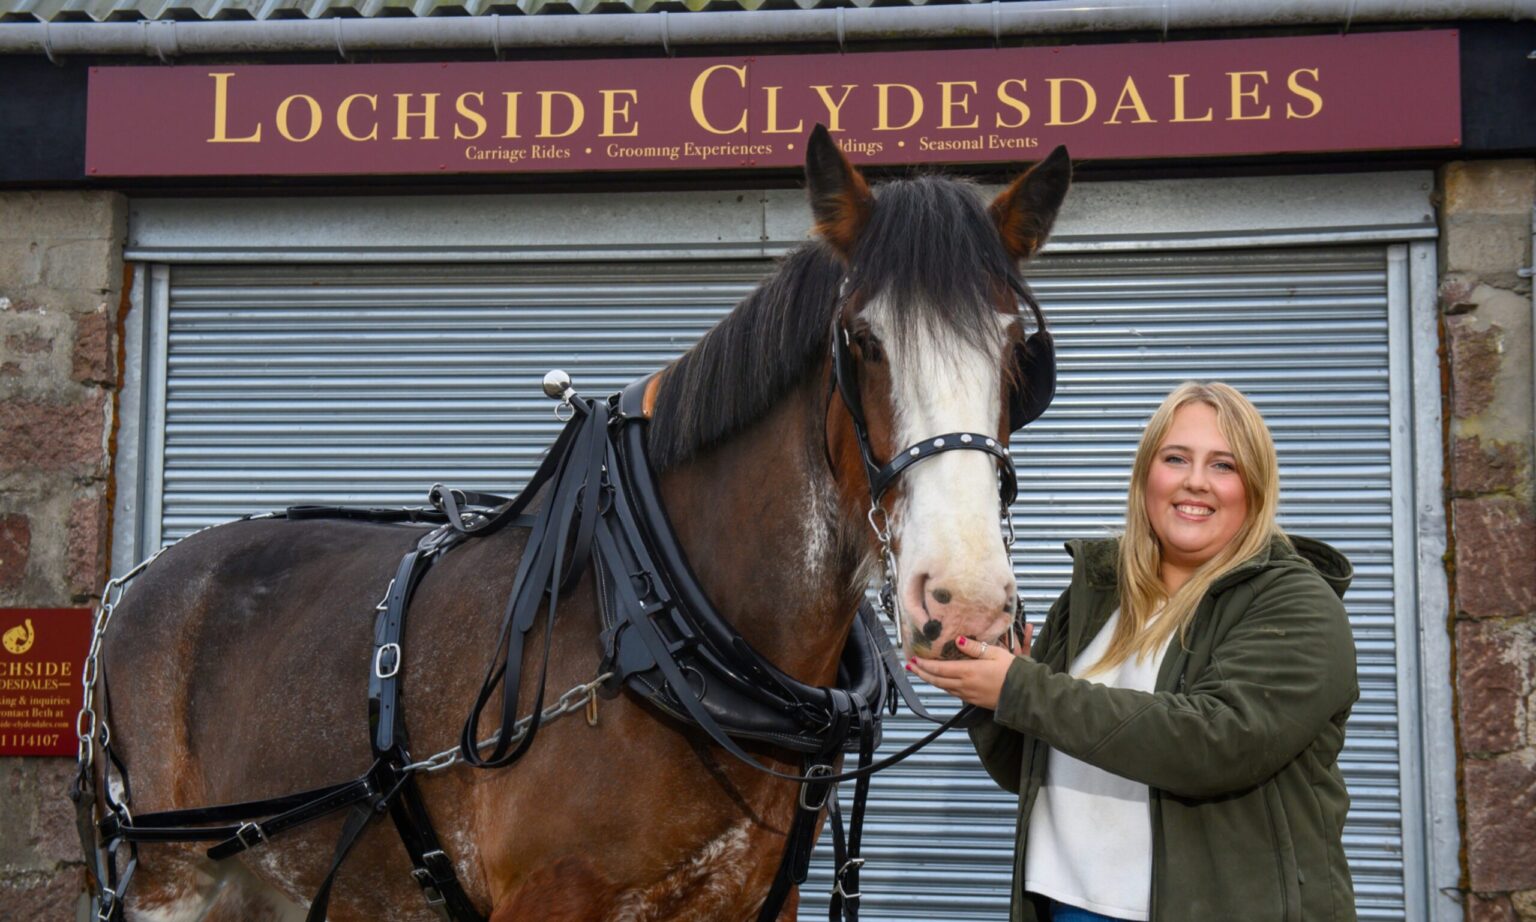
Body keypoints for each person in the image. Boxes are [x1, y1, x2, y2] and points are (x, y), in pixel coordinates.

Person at [910, 381, 1359, 922]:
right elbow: (1028, 767)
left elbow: (1217, 741)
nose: (1196, 482)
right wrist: (985, 691)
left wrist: (1022, 688)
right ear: (1147, 474)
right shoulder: (1096, 594)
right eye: (1176, 458)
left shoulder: (1296, 602)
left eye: (1224, 465)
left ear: (1256, 487)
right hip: (1065, 904)